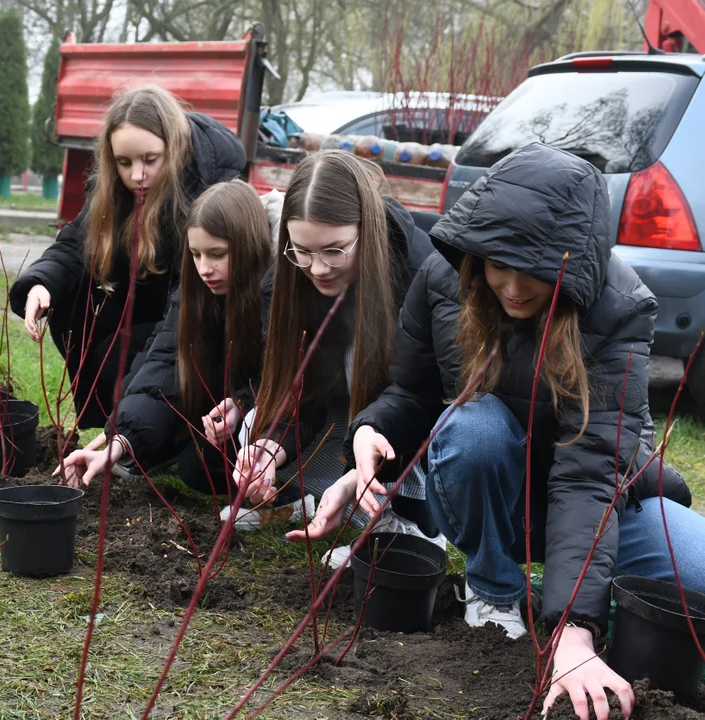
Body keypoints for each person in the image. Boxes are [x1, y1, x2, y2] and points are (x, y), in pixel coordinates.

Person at [294, 143, 705, 720]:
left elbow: (589, 474)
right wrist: (370, 434)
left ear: (572, 261)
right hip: (486, 487)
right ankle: (494, 591)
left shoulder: (619, 308)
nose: (510, 286)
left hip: (592, 501)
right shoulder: (445, 275)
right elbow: (410, 394)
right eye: (496, 265)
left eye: (531, 270)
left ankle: (571, 600)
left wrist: (572, 629)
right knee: (475, 425)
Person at [9, 85, 247, 429]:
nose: (137, 175)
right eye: (124, 163)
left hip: (202, 321)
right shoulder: (115, 188)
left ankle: (145, 430)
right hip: (149, 307)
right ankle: (118, 427)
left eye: (150, 160)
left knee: (117, 357)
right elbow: (76, 241)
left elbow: (184, 308)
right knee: (74, 309)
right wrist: (41, 283)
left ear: (175, 149)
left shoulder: (207, 191)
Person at [228, 149, 440, 535]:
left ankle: (398, 520)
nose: (318, 269)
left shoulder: (421, 271)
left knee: (358, 358)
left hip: (398, 426)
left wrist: (367, 463)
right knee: (255, 423)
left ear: (368, 230)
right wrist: (272, 445)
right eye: (302, 251)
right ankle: (301, 495)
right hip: (336, 418)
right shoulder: (283, 285)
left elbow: (422, 396)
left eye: (334, 250)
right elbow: (295, 387)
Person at [58, 180, 272, 495]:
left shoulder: (274, 295)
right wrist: (120, 438)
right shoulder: (194, 291)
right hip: (218, 409)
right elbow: (166, 360)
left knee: (200, 470)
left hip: (266, 413)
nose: (204, 268)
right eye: (196, 254)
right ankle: (165, 440)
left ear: (249, 245)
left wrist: (242, 404)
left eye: (217, 254)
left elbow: (284, 378)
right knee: (194, 464)